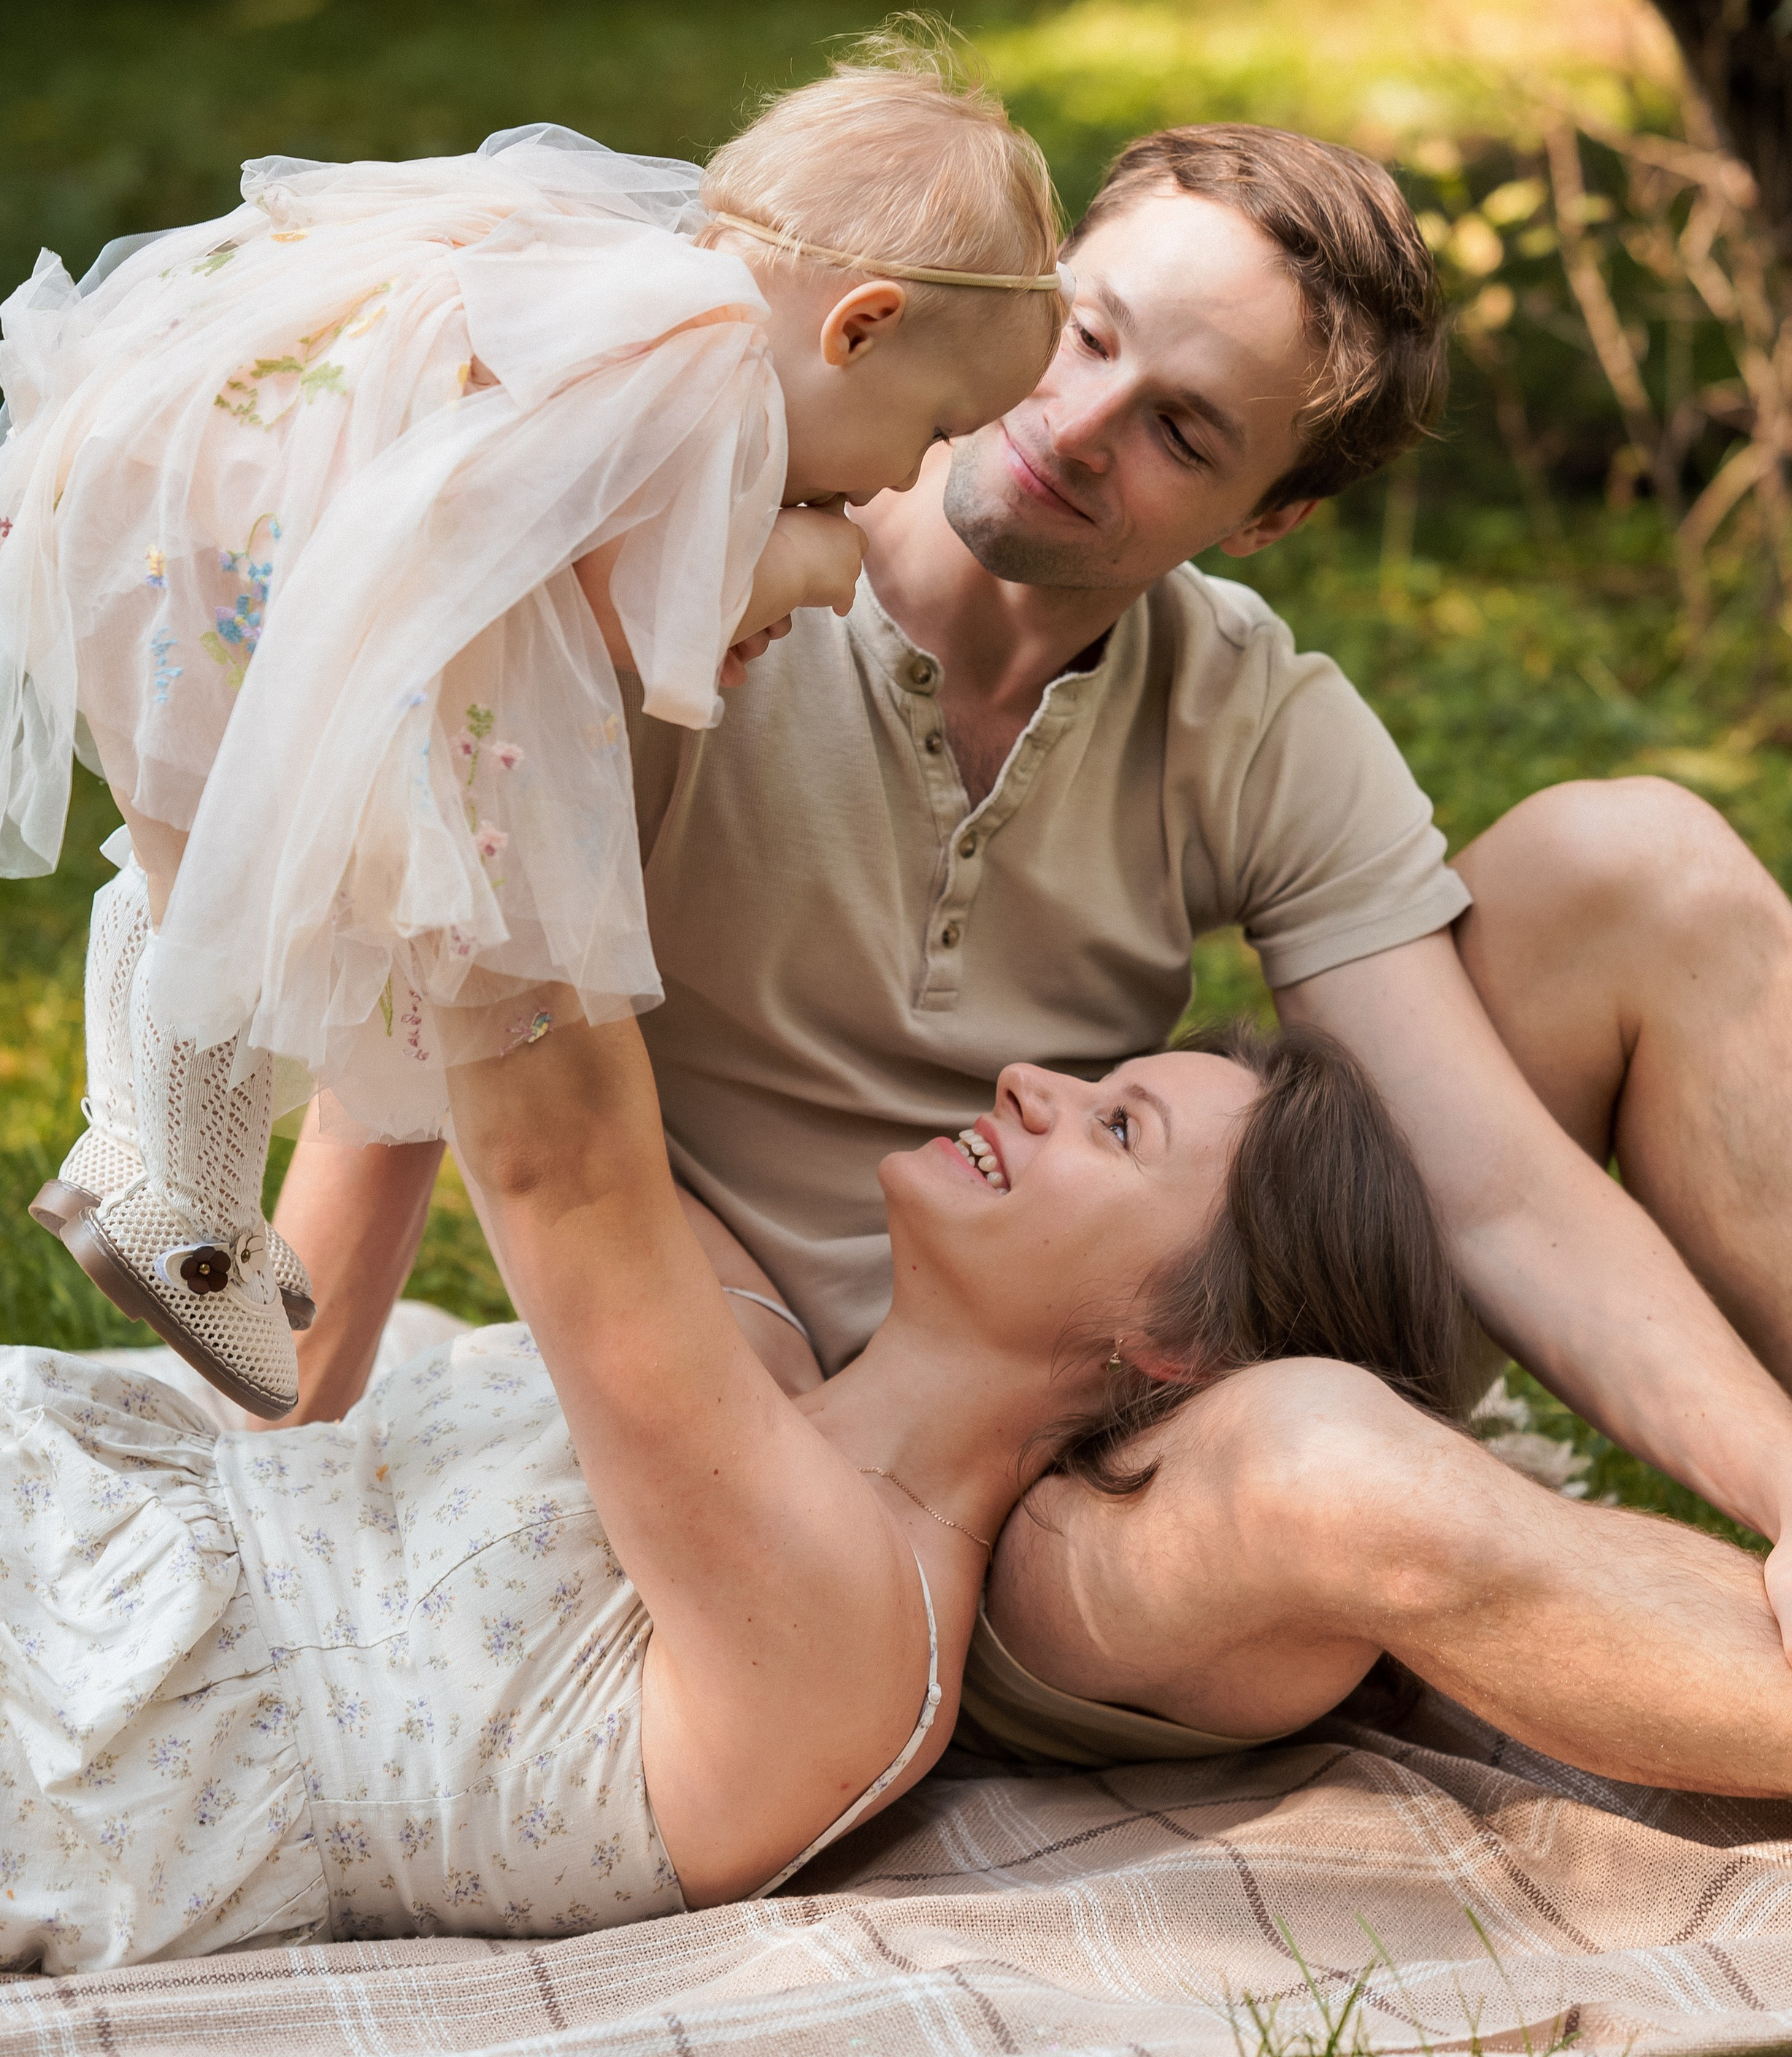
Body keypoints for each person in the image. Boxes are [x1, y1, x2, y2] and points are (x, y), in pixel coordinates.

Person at [273, 116, 1792, 1775]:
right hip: (866, 1473)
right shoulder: (706, 596)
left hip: (1124, 1329)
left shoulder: (1240, 711)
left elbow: (1488, 1184)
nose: (1073, 425)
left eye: (1181, 431)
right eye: (1083, 333)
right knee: (1310, 1459)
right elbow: (443, 1012)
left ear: (1263, 514)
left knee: (1634, 860)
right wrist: (277, 1384)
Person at [0, 46, 1064, 1420]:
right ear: (859, 327)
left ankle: (140, 1153)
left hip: (169, 507)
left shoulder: (648, 301)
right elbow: (626, 610)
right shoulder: (698, 376)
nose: (905, 479)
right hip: (237, 543)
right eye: (937, 427)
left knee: (212, 861)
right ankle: (185, 1201)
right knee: (257, 894)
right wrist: (815, 568)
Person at [0, 1020, 1485, 1971]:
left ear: (1174, 1344)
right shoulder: (758, 1360)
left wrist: (461, 683)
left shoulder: (862, 1634)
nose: (1032, 1084)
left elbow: (555, 1154)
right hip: (10, 1501)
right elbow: (473, 1075)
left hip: (41, 1723)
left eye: (1115, 1125)